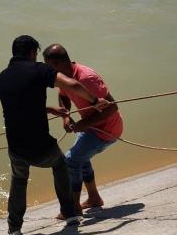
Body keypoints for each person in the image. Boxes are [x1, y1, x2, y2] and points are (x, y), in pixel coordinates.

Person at [0, 35, 110, 235]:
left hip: (15, 145)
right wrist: (95, 100)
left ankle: (14, 228)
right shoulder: (39, 69)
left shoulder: (2, 77)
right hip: (40, 145)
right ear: (32, 52)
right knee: (61, 164)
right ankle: (69, 213)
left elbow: (20, 106)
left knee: (19, 179)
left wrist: (49, 109)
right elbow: (71, 85)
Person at [43, 44, 123, 214]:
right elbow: (63, 95)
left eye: (48, 65)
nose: (46, 70)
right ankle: (94, 198)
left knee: (71, 160)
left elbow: (111, 108)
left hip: (107, 129)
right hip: (91, 127)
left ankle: (73, 208)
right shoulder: (64, 76)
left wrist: (83, 124)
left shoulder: (87, 79)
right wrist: (66, 116)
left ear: (57, 64)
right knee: (81, 157)